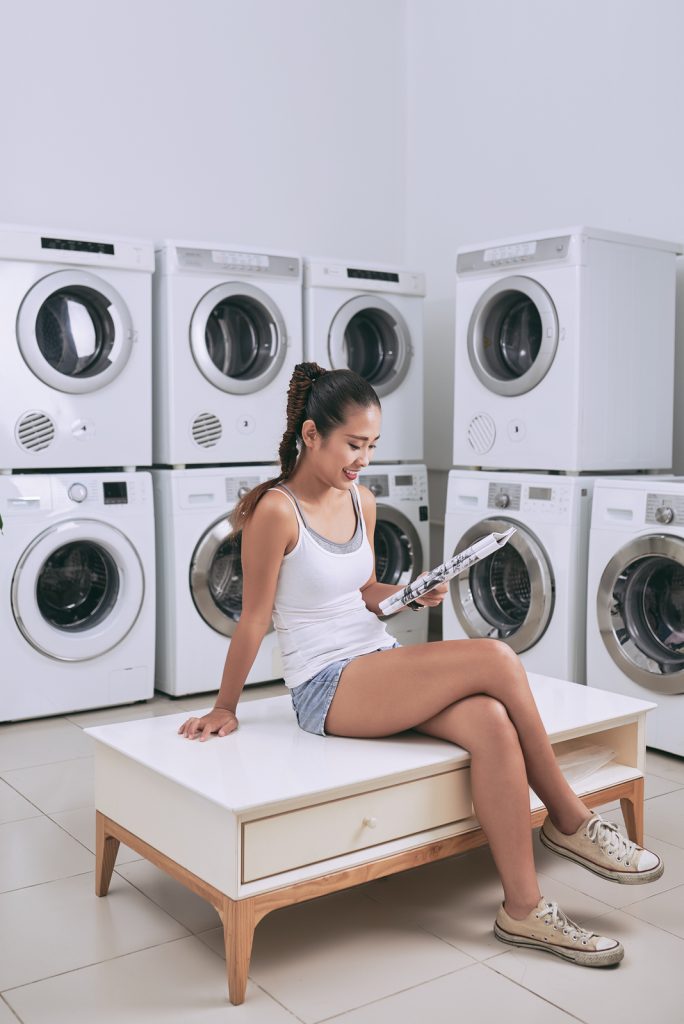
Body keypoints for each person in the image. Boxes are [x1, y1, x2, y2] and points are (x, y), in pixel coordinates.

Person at [178, 361, 664, 968]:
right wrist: (225, 706)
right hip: (325, 685)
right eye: (353, 444)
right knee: (494, 656)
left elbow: (360, 591)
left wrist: (406, 593)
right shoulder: (276, 511)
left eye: (373, 445)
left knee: (490, 719)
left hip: (376, 659)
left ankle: (522, 910)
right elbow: (254, 619)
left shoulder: (362, 499)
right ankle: (567, 815)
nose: (363, 459)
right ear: (310, 436)